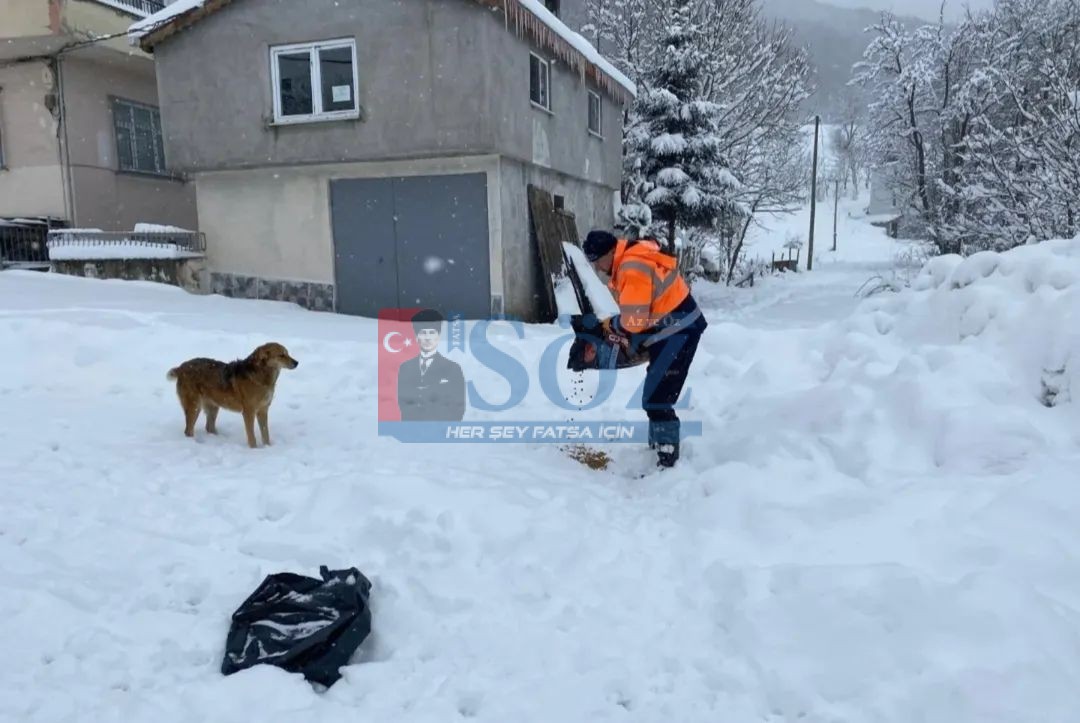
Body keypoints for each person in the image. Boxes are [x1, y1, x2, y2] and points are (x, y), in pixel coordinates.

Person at [583, 230, 708, 468]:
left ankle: (667, 461)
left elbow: (635, 321)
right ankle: (658, 450)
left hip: (680, 330)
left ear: (610, 252)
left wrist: (614, 323)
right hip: (674, 327)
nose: (598, 268)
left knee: (658, 399)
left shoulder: (632, 266)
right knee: (655, 393)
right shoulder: (633, 256)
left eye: (598, 261)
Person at [396, 309, 466, 422]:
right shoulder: (406, 368)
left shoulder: (453, 369)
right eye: (423, 333)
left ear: (438, 337)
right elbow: (403, 403)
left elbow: (458, 406)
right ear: (417, 337)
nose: (428, 338)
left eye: (432, 333)